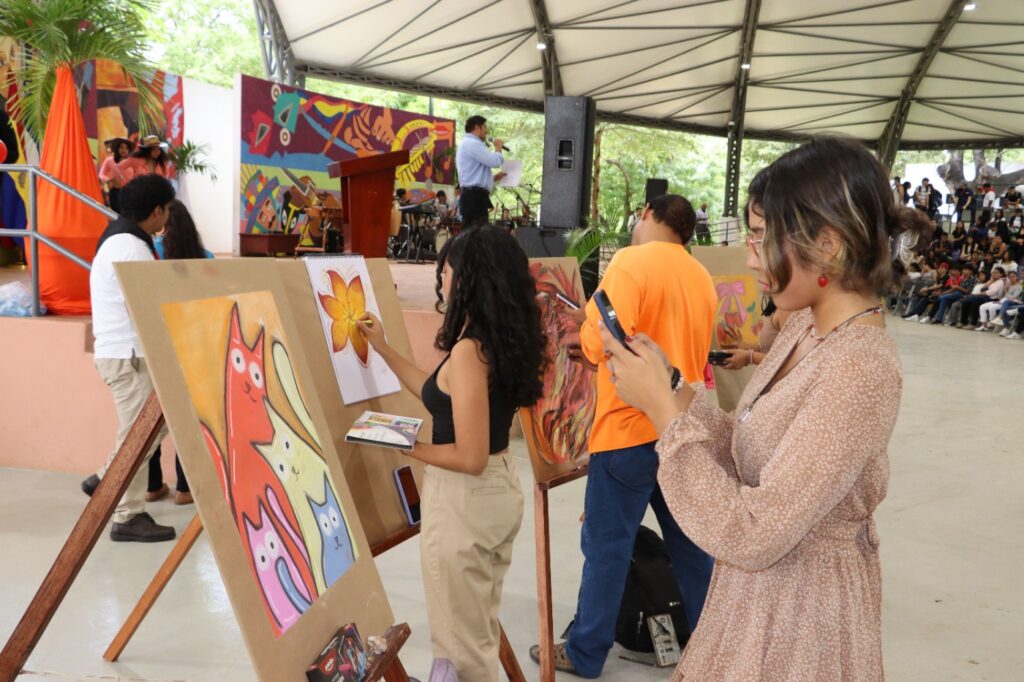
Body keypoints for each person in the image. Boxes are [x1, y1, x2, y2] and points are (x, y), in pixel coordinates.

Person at [596, 136, 927, 679]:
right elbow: (746, 442)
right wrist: (673, 386)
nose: (751, 255)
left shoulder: (859, 370)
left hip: (799, 618)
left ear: (827, 244)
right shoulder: (805, 330)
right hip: (757, 597)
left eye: (761, 236)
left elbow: (754, 532)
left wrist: (661, 410)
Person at [537, 194, 717, 678]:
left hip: (626, 428)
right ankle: (715, 649)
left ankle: (585, 652)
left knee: (607, 548)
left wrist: (586, 338)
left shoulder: (631, 262)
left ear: (648, 215)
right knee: (691, 548)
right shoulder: (701, 276)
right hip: (679, 425)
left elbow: (603, 339)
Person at [355, 226, 546, 682]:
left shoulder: (469, 351)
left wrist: (408, 445)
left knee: (462, 653)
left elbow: (469, 457)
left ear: (470, 278)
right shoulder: (499, 339)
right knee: (477, 633)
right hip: (496, 491)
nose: (445, 279)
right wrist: (382, 348)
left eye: (450, 270)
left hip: (465, 500)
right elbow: (437, 395)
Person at [80, 174, 177, 542]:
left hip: (124, 353)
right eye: (167, 210)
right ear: (156, 211)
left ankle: (107, 478)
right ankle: (126, 516)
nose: (167, 217)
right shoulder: (131, 248)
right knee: (139, 436)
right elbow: (146, 306)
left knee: (152, 427)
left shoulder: (120, 238)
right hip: (129, 356)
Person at [145, 200, 213, 505]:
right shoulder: (205, 257)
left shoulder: (152, 254)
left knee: (149, 422)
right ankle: (185, 489)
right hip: (195, 346)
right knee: (189, 421)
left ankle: (152, 485)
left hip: (159, 343)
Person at [455, 116, 505, 228]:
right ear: (477, 127)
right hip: (474, 197)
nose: (486, 131)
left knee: (473, 233)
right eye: (485, 127)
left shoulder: (467, 143)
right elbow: (495, 162)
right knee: (476, 233)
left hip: (472, 196)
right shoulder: (473, 143)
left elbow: (473, 173)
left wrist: (493, 178)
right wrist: (498, 148)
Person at [719, 297, 793, 369]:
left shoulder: (786, 309)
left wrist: (749, 357)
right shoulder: (777, 306)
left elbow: (788, 361)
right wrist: (745, 346)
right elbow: (770, 349)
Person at [99, 137, 131, 213]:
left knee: (128, 215)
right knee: (116, 214)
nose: (124, 150)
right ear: (117, 148)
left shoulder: (131, 161)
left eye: (126, 148)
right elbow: (101, 174)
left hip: (129, 193)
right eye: (121, 147)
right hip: (115, 192)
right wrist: (108, 180)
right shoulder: (109, 160)